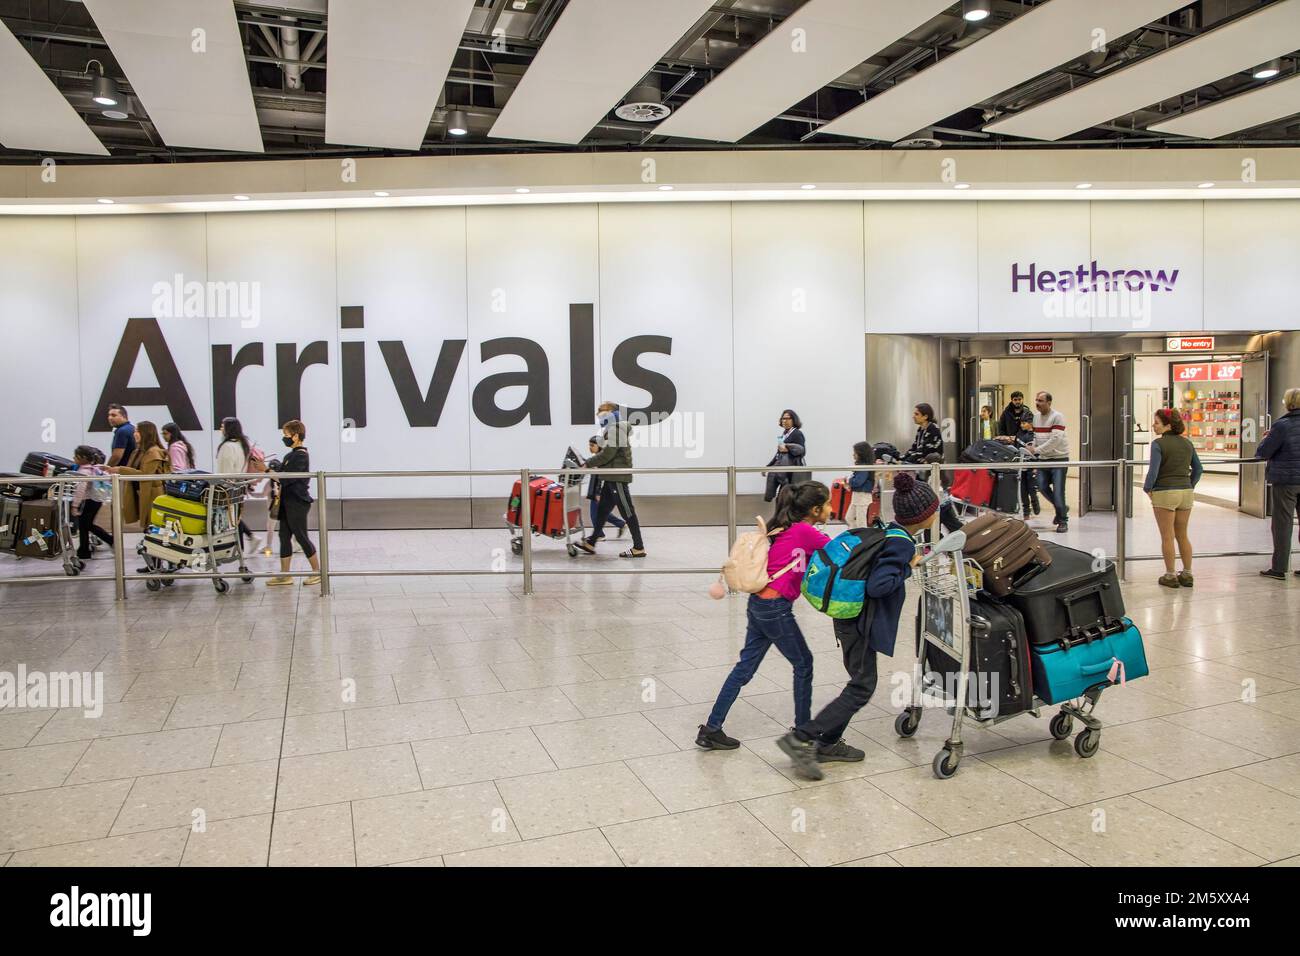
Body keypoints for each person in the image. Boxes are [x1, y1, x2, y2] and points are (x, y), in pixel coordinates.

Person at [776, 471, 934, 781]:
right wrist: (908, 567)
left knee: (858, 680)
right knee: (863, 686)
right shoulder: (903, 547)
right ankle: (802, 738)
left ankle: (829, 742)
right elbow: (879, 585)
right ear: (925, 516)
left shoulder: (887, 530)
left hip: (847, 617)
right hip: (861, 622)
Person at [696, 481, 830, 751]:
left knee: (744, 668)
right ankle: (803, 732)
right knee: (804, 664)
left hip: (759, 605)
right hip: (776, 609)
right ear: (815, 510)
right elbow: (838, 550)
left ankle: (711, 729)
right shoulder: (805, 531)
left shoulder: (782, 527)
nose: (830, 508)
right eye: (826, 504)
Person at [574, 402, 646, 558]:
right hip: (610, 477)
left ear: (611, 412)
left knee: (627, 512)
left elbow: (608, 454)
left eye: (601, 411)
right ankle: (591, 542)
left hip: (617, 478)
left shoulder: (617, 428)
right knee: (602, 511)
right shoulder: (612, 429)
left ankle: (639, 547)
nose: (598, 414)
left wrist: (588, 463)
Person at [1144, 408, 1203, 589]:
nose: (1154, 426)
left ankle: (1170, 575)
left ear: (1167, 425)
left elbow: (1153, 471)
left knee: (1167, 536)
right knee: (1182, 535)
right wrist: (1189, 485)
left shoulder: (1158, 444)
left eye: (1156, 422)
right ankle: (1187, 573)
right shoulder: (1187, 443)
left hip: (1165, 493)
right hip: (1185, 492)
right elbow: (1198, 469)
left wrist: (1148, 488)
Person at [266, 419, 320, 587]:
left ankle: (317, 572)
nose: (285, 439)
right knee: (284, 536)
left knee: (301, 536)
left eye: (287, 435)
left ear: (296, 436)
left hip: (297, 502)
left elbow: (286, 478)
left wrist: (267, 470)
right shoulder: (290, 455)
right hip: (286, 502)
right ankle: (285, 574)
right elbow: (281, 474)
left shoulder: (301, 456)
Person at [1258, 387, 1300, 580]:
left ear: (1288, 403)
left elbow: (1264, 452)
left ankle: (1280, 568)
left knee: (1282, 524)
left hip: (1286, 481)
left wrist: (1266, 438)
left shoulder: (1282, 425)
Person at [104, 421, 168, 533]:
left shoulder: (154, 452)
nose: (135, 434)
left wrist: (120, 469)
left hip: (152, 495)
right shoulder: (138, 451)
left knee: (153, 524)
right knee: (147, 525)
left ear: (146, 433)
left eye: (137, 431)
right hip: (140, 493)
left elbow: (145, 474)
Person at [1029, 390, 1070, 533]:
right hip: (1043, 459)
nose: (1037, 403)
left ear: (1049, 402)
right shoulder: (1035, 418)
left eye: (1040, 401)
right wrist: (1033, 446)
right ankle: (1062, 508)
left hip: (1059, 459)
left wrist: (1037, 450)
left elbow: (1055, 440)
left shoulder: (1057, 417)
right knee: (1040, 486)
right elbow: (1036, 435)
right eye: (1036, 400)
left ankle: (1063, 520)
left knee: (1059, 492)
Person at [216, 417, 253, 550]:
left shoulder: (227, 446)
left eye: (222, 426)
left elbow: (224, 472)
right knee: (236, 519)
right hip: (238, 488)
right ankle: (240, 548)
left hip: (227, 489)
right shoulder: (242, 445)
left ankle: (236, 549)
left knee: (231, 520)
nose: (221, 429)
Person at [70, 445, 112, 560]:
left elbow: (80, 490)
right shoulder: (94, 469)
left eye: (76, 456)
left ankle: (86, 550)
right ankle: (84, 550)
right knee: (85, 526)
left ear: (83, 458)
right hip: (95, 501)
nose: (74, 458)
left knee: (85, 526)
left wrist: (74, 505)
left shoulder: (83, 472)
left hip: (87, 501)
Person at [584, 435, 625, 541]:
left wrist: (597, 493)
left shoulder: (601, 459)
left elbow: (601, 478)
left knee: (595, 514)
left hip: (598, 492)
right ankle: (621, 524)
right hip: (596, 491)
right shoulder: (598, 458)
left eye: (592, 445)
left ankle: (600, 535)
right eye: (589, 445)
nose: (590, 447)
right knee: (602, 513)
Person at [764, 409, 806, 502]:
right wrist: (768, 466)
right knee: (781, 498)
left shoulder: (797, 433)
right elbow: (779, 454)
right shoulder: (785, 434)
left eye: (787, 418)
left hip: (791, 472)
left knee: (786, 498)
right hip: (783, 470)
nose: (784, 421)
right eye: (783, 418)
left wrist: (788, 447)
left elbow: (802, 451)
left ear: (794, 420)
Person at [844, 442, 876, 528]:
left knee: (860, 522)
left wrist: (849, 480)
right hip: (857, 496)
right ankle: (856, 534)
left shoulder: (863, 467)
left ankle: (862, 538)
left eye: (855, 452)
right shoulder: (862, 466)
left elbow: (858, 481)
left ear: (861, 454)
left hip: (862, 496)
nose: (853, 455)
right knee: (849, 518)